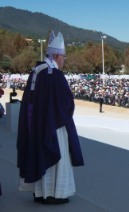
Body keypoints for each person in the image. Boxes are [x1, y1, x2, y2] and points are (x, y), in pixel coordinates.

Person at [16, 31, 84, 205]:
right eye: (63, 57)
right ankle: (53, 193)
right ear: (56, 56)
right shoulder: (54, 74)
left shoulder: (36, 70)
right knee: (55, 155)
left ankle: (38, 192)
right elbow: (66, 102)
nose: (63, 61)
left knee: (37, 152)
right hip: (53, 125)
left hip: (35, 124)